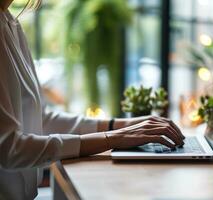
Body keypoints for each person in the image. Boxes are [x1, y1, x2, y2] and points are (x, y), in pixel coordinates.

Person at [0, 0, 184, 199]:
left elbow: (41, 120)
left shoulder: (10, 21)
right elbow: (9, 148)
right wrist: (114, 138)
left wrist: (122, 125)